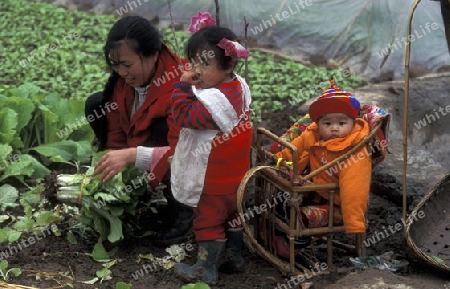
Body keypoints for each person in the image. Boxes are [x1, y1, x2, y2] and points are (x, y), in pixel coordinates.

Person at [84, 15, 195, 247]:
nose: (121, 72)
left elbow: (183, 152)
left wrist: (131, 156)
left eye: (127, 65)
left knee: (164, 129)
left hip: (195, 160)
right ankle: (143, 187)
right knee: (97, 104)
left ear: (153, 55)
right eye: (115, 65)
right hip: (147, 146)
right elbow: (115, 132)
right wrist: (114, 174)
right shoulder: (122, 83)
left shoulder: (181, 85)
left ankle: (184, 210)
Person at [169, 22, 253, 285]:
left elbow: (183, 115)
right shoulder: (236, 87)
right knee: (232, 215)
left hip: (212, 180)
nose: (196, 71)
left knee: (208, 220)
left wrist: (181, 88)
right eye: (194, 62)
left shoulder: (215, 104)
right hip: (236, 175)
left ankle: (205, 270)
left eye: (205, 64)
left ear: (227, 66)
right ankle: (233, 257)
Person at [275, 79, 372, 234]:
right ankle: (277, 229)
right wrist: (276, 159)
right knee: (280, 198)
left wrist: (354, 223)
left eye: (341, 123)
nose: (334, 128)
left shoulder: (355, 152)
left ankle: (292, 246)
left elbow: (354, 189)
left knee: (300, 217)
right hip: (312, 189)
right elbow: (293, 150)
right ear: (318, 123)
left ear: (353, 123)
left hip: (336, 203)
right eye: (327, 124)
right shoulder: (312, 134)